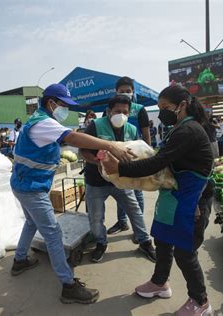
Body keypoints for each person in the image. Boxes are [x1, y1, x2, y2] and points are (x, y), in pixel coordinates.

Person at [10, 83, 134, 304]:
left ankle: (20, 260)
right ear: (51, 103)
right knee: (53, 234)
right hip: (31, 189)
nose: (66, 110)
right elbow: (74, 138)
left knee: (30, 223)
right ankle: (68, 285)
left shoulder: (40, 121)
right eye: (64, 105)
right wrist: (111, 146)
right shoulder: (43, 123)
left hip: (23, 184)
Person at [100, 84, 214, 316]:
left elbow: (157, 163)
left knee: (184, 251)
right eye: (160, 107)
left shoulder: (188, 130)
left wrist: (120, 167)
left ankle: (201, 302)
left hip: (192, 200)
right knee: (162, 239)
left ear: (182, 105)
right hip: (174, 195)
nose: (162, 112)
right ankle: (159, 283)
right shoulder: (179, 128)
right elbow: (162, 160)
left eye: (165, 107)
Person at [80, 95, 156, 263]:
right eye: (117, 111)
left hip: (122, 181)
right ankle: (101, 242)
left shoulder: (131, 129)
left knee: (134, 210)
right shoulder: (95, 125)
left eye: (125, 112)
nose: (121, 115)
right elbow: (83, 151)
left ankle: (145, 241)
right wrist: (98, 161)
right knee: (96, 216)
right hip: (96, 181)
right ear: (108, 111)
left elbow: (136, 152)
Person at [107, 76, 151, 236]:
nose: (125, 94)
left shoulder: (140, 109)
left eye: (128, 91)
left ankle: (138, 228)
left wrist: (147, 156)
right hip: (117, 154)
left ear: (133, 92)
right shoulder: (112, 107)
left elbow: (146, 134)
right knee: (121, 186)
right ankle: (122, 222)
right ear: (116, 92)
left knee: (137, 190)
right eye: (121, 91)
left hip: (135, 154)